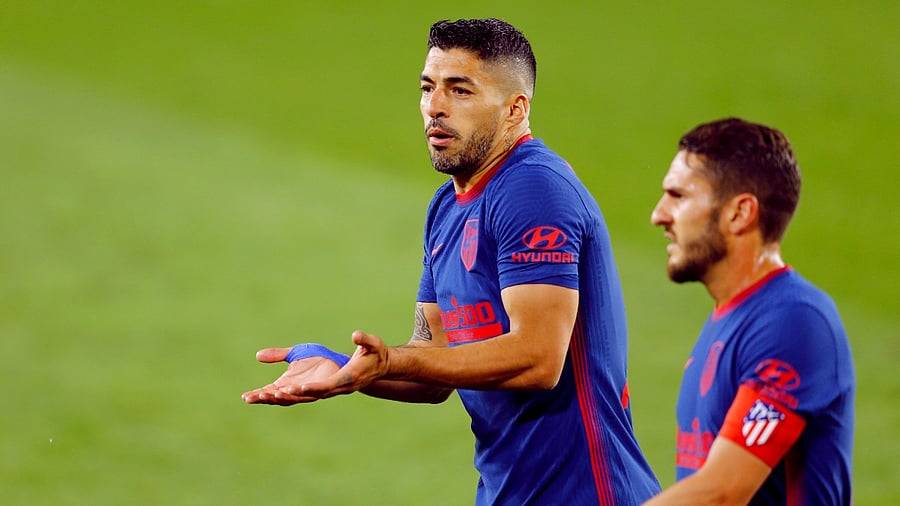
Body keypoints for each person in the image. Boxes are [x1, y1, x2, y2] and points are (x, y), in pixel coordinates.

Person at [242, 18, 660, 505]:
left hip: (585, 492)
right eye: (427, 87)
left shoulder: (533, 189)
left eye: (459, 91)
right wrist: (344, 368)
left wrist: (395, 360)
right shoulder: (447, 206)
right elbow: (434, 352)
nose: (434, 108)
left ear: (515, 109)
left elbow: (540, 358)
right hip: (507, 492)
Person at [644, 118, 855, 505]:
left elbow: (722, 492)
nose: (659, 215)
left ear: (740, 213)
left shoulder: (794, 320)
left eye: (678, 196)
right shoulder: (730, 319)